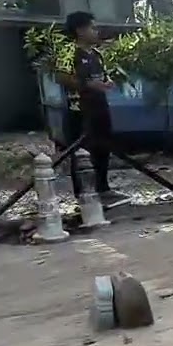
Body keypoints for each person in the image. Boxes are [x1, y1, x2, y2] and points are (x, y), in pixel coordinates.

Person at [61, 11, 124, 204]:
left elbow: (103, 77)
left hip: (100, 107)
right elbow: (64, 79)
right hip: (79, 110)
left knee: (103, 148)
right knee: (81, 153)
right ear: (80, 30)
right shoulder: (69, 54)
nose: (96, 32)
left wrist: (108, 82)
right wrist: (88, 85)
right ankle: (83, 195)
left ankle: (103, 189)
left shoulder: (96, 55)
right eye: (92, 28)